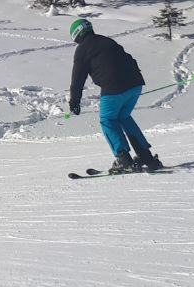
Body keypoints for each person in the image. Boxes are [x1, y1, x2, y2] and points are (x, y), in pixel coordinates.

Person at [69, 17, 162, 173]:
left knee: (107, 120)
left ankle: (123, 159)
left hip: (114, 88)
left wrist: (74, 101)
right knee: (123, 117)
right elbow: (129, 58)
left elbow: (78, 78)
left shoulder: (82, 50)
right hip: (135, 84)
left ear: (77, 34)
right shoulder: (107, 41)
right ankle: (146, 156)